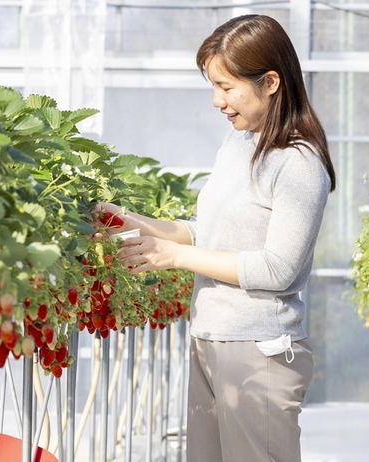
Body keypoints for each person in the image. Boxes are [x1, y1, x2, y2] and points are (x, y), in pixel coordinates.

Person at [97, 14, 336, 462]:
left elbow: (278, 269)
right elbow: (203, 232)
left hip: (257, 353)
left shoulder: (298, 162)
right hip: (210, 339)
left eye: (227, 87)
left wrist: (175, 256)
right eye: (213, 86)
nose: (216, 101)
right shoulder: (240, 144)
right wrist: (131, 220)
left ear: (270, 82)